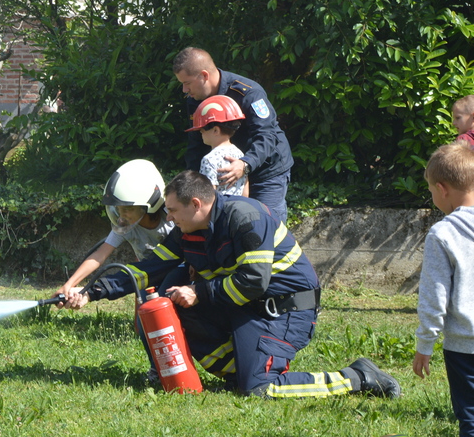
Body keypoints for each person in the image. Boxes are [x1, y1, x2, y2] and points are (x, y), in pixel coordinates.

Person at [75, 169, 401, 399]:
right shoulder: (188, 230)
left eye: (173, 210)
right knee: (166, 301)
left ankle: (357, 377)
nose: (169, 218)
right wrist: (91, 293)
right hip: (243, 308)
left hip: (284, 311)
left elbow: (254, 281)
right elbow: (149, 269)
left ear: (196, 204)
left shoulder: (246, 217)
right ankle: (241, 371)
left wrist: (199, 291)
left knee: (260, 389)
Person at [413, 142, 474, 437]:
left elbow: (434, 297)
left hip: (465, 345)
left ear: (442, 189)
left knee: (471, 416)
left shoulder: (443, 234)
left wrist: (425, 344)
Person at [173, 47, 293, 223]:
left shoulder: (248, 92)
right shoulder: (195, 99)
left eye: (187, 83)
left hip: (265, 171)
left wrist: (245, 164)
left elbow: (266, 135)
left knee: (266, 226)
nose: (184, 89)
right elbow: (196, 146)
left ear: (204, 75)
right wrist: (191, 183)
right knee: (227, 227)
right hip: (227, 176)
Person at [56, 159, 174, 302]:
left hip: (177, 270)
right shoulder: (126, 226)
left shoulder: (172, 218)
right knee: (145, 311)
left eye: (128, 208)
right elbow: (99, 255)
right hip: (147, 273)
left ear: (150, 203)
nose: (121, 215)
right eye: (118, 209)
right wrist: (69, 284)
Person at [188, 94, 249, 197]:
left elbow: (209, 196)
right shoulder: (240, 155)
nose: (200, 133)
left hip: (220, 207)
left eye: (202, 130)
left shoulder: (209, 160)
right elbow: (245, 191)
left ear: (216, 130)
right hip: (239, 206)